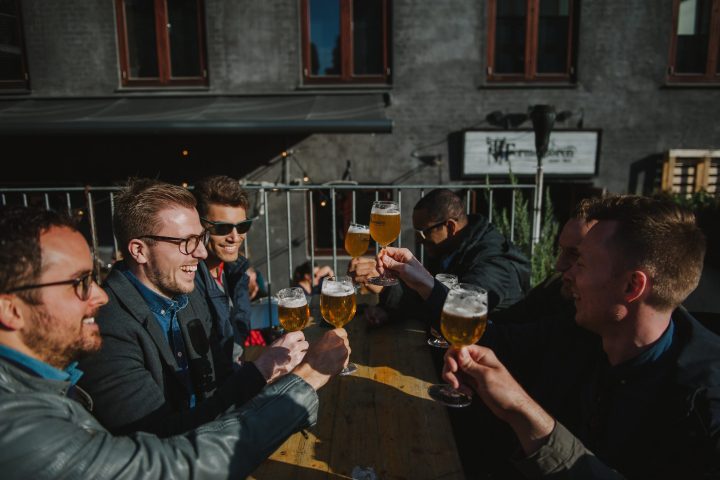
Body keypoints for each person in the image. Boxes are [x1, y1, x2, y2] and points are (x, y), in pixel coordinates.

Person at [379, 195, 720, 479]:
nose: (563, 271)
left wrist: (522, 411)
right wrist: (422, 280)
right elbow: (502, 340)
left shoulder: (703, 407)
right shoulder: (583, 330)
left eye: (580, 262)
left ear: (632, 286)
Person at [0, 205, 350, 478]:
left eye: (93, 278)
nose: (99, 296)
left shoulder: (42, 384)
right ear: (9, 308)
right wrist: (306, 378)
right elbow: (169, 465)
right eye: (79, 283)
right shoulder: (17, 430)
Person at [77, 178, 309, 436]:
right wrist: (261, 372)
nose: (200, 252)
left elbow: (220, 382)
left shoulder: (184, 293)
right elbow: (159, 439)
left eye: (200, 238)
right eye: (187, 242)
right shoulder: (105, 330)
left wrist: (268, 379)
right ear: (139, 250)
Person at [350, 188, 530, 327]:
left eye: (422, 233)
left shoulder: (493, 263)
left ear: (450, 227)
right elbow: (426, 300)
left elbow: (455, 312)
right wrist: (387, 307)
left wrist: (386, 290)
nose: (419, 241)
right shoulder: (449, 249)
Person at [193, 175, 259, 358]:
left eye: (243, 226)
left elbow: (239, 331)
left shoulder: (234, 271)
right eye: (222, 228)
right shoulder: (188, 281)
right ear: (199, 226)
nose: (235, 237)